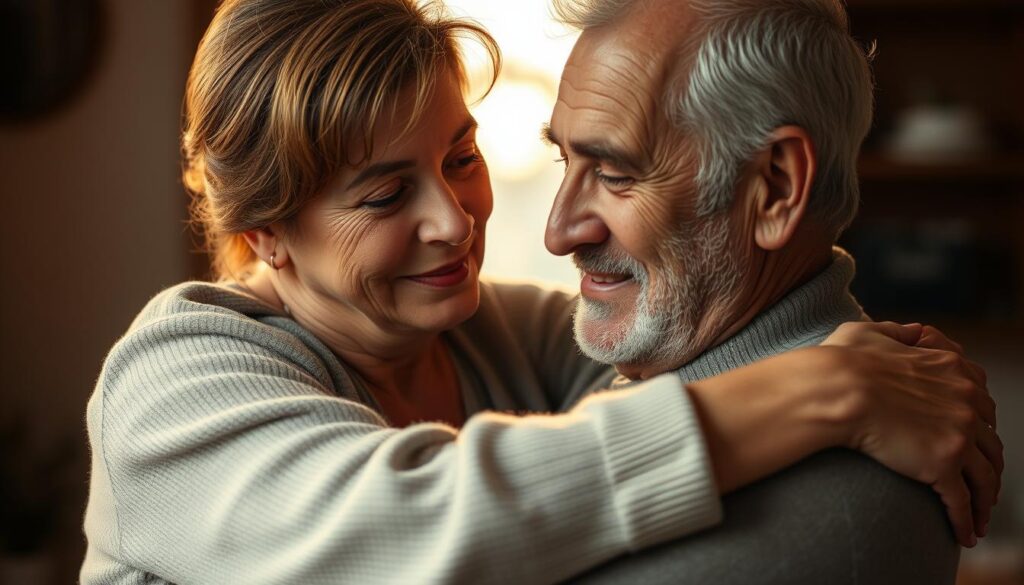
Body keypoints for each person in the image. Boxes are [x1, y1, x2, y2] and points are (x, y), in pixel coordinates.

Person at [80, 1, 1000, 583]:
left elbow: (694, 333)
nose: (456, 219)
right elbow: (407, 529)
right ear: (264, 234)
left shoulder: (503, 334)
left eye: (461, 156)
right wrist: (828, 390)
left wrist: (903, 369)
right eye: (387, 194)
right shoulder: (173, 382)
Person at [540, 0, 1004, 582]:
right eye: (564, 158)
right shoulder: (661, 344)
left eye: (615, 175)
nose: (558, 233)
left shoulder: (829, 509)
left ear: (777, 188)